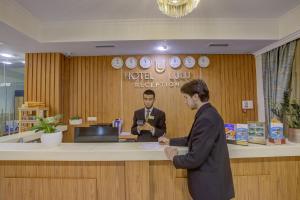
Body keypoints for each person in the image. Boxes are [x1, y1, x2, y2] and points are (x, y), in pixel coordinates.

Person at [158, 79, 234, 200]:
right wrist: (170, 141)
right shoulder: (208, 113)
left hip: (210, 189)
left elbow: (195, 158)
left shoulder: (206, 119)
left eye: (185, 98)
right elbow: (192, 140)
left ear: (195, 97)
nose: (185, 102)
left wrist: (173, 158)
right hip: (211, 187)